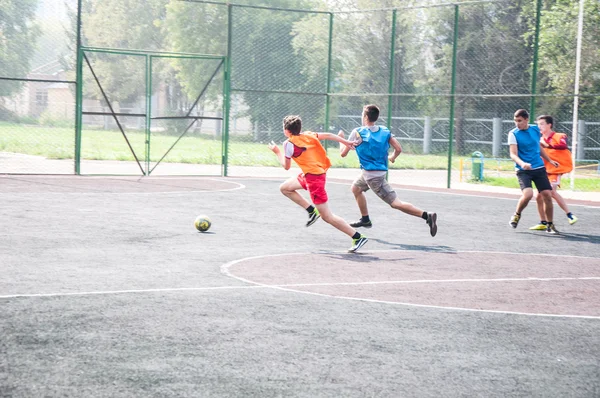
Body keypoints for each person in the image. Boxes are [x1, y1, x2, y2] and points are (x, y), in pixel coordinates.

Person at [268, 115, 368, 253]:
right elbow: (328, 135)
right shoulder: (309, 135)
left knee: (327, 216)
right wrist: (345, 141)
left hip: (314, 179)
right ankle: (311, 211)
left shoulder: (289, 144)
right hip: (314, 173)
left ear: (286, 130)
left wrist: (277, 151)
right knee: (285, 188)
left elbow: (286, 166)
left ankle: (357, 237)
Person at [338, 104, 438, 237]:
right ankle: (365, 219)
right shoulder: (384, 131)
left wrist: (340, 139)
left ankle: (427, 216)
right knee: (356, 188)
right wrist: (392, 157)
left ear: (366, 117)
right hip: (370, 173)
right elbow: (398, 148)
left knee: (396, 203)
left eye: (363, 114)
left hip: (373, 178)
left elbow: (342, 154)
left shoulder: (357, 132)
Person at [508, 109, 560, 234]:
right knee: (528, 195)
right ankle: (516, 215)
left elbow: (538, 146)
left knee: (547, 194)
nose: (517, 123)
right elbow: (513, 154)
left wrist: (549, 160)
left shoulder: (535, 130)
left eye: (519, 121)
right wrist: (522, 164)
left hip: (539, 168)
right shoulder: (513, 134)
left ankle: (550, 225)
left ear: (526, 120)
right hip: (523, 170)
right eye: (515, 121)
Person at [529, 115, 578, 230]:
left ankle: (570, 215)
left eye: (542, 124)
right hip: (543, 170)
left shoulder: (559, 136)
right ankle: (543, 222)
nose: (539, 126)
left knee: (550, 192)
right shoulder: (538, 138)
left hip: (555, 170)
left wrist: (547, 145)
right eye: (538, 124)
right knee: (538, 196)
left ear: (549, 125)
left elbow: (562, 145)